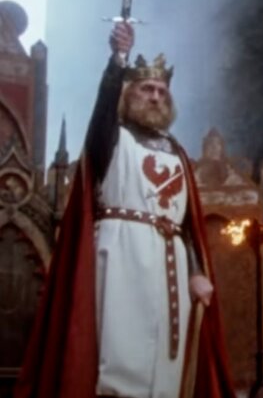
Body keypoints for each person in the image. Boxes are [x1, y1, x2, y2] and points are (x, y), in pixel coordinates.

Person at [15, 22, 237, 398]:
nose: (155, 97)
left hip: (171, 265)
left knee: (168, 363)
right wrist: (117, 59)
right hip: (120, 256)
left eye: (161, 91)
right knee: (120, 355)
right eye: (146, 89)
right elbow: (102, 112)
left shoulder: (178, 152)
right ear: (128, 93)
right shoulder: (112, 138)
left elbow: (187, 224)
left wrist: (197, 272)